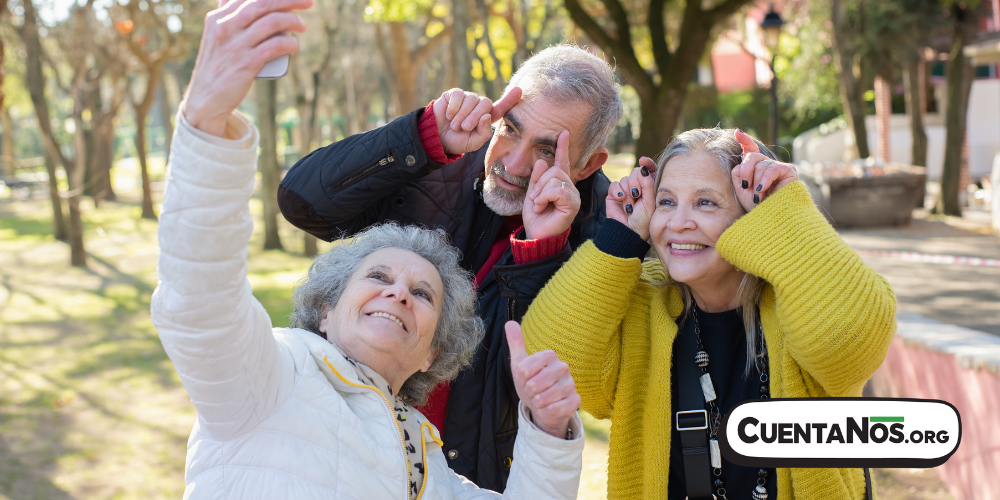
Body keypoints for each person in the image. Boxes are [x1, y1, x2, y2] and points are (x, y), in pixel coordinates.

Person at [151, 1, 585, 497]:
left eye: (423, 295)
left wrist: (549, 432)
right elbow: (198, 301)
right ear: (325, 310)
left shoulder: (426, 466)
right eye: (378, 277)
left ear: (433, 354)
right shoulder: (269, 378)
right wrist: (207, 121)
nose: (399, 293)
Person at [277, 44, 622, 490]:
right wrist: (420, 136)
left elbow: (531, 374)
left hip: (463, 480)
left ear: (588, 164)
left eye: (544, 149)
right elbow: (303, 204)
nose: (512, 163)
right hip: (346, 453)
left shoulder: (603, 238)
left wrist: (541, 248)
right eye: (510, 129)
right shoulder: (438, 161)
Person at [519, 128, 898, 499]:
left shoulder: (801, 299)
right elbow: (552, 360)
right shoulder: (642, 301)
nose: (678, 222)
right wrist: (620, 237)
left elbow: (846, 346)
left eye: (706, 203)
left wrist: (787, 211)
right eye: (666, 202)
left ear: (752, 213)